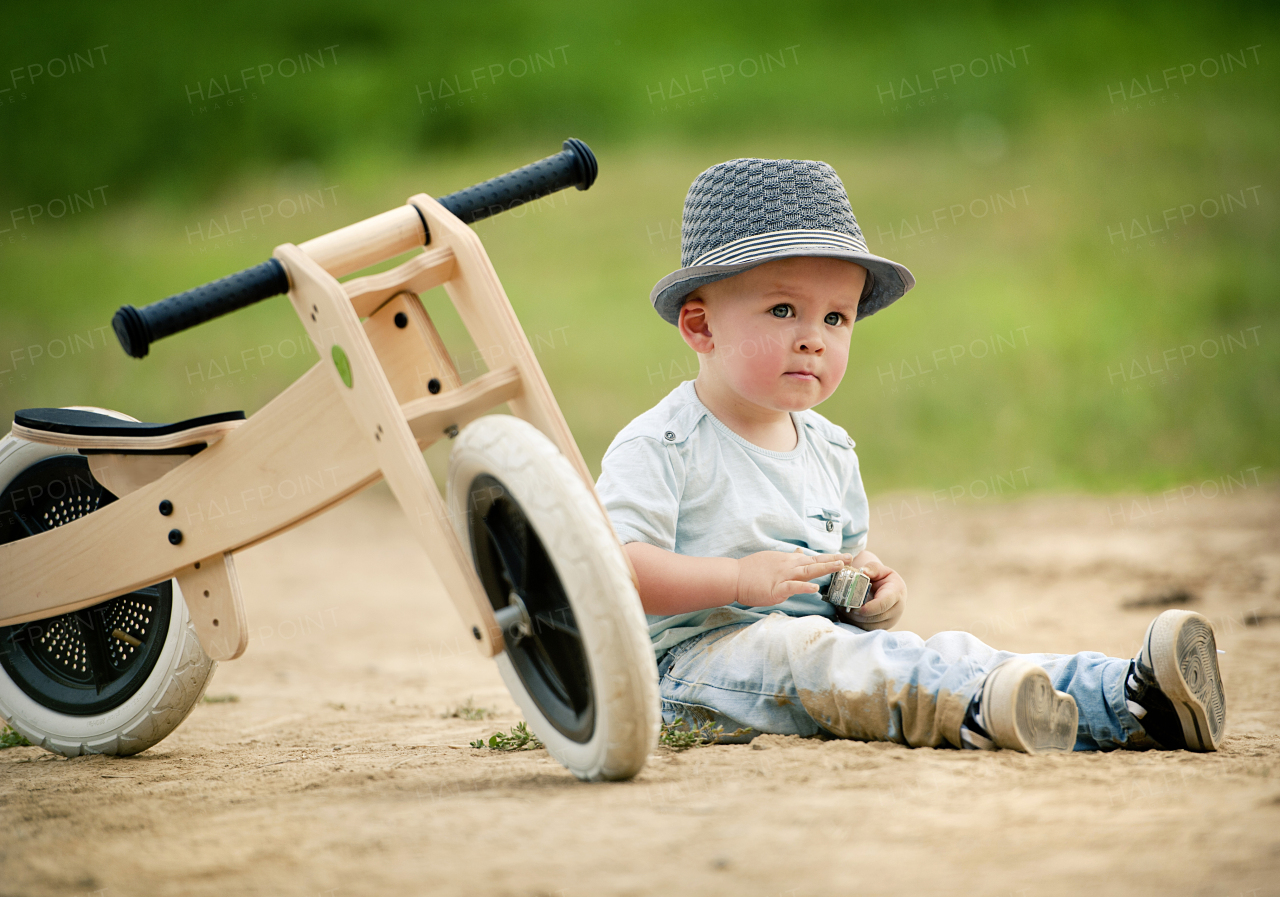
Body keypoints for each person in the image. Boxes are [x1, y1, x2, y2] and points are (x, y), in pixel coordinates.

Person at [594, 157, 1226, 753]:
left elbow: (838, 575)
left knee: (932, 648)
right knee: (815, 653)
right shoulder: (663, 444)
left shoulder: (830, 447)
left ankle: (1129, 698)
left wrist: (870, 593)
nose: (813, 338)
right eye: (783, 309)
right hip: (690, 671)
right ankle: (974, 710)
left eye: (837, 318)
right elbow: (615, 571)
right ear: (701, 327)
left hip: (816, 651)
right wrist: (737, 581)